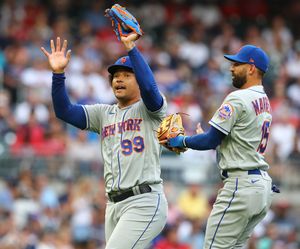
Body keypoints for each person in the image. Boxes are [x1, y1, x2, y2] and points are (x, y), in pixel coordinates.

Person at [41, 34, 168, 249]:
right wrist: (58, 74)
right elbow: (64, 111)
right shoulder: (103, 113)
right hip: (113, 205)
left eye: (127, 75)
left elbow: (149, 90)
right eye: (116, 76)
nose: (118, 79)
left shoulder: (151, 110)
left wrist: (131, 48)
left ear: (139, 80)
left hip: (144, 200)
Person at [167, 45, 275, 248]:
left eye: (236, 64)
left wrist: (181, 140)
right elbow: (234, 142)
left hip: (240, 185)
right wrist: (209, 141)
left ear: (251, 68)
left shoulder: (239, 97)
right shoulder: (264, 100)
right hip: (261, 186)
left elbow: (210, 140)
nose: (231, 68)